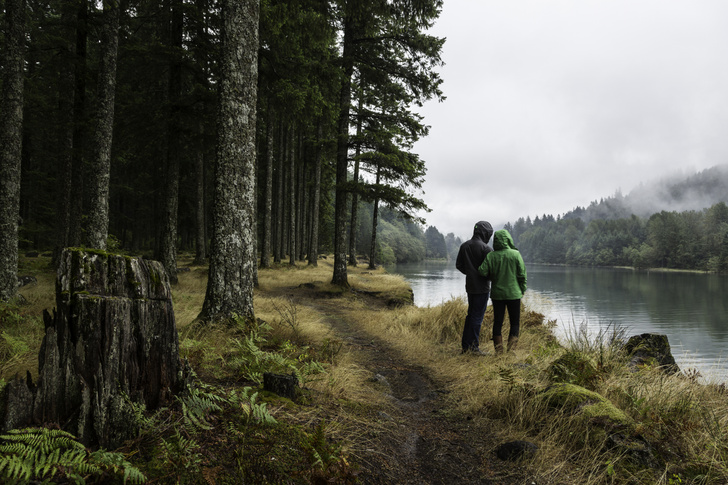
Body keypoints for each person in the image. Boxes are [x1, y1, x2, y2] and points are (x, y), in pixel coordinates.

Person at [478, 229, 527, 354]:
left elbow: (482, 271)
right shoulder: (515, 254)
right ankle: (511, 353)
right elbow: (522, 275)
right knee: (515, 323)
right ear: (508, 239)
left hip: (497, 294)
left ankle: (499, 353)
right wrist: (522, 290)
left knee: (498, 322)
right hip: (514, 294)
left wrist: (494, 274)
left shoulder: (491, 256)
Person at [456, 221, 494, 355]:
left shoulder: (464, 246)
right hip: (482, 288)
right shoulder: (486, 249)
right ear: (486, 233)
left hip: (470, 286)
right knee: (477, 317)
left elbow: (459, 265)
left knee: (470, 315)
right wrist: (486, 277)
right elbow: (491, 271)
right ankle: (474, 348)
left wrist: (470, 273)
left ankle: (466, 346)